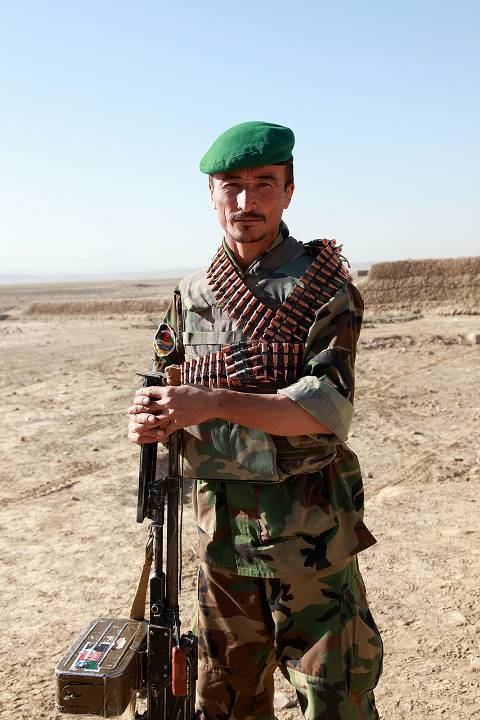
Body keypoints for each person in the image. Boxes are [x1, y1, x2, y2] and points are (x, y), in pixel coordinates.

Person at [128, 121, 383, 720]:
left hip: (307, 534)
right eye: (231, 186)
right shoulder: (191, 294)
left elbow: (325, 414)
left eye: (263, 184)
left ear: (289, 191)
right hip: (221, 537)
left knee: (334, 698)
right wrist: (147, 417)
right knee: (228, 697)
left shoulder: (323, 290)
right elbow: (160, 379)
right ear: (212, 195)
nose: (245, 202)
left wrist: (212, 400)